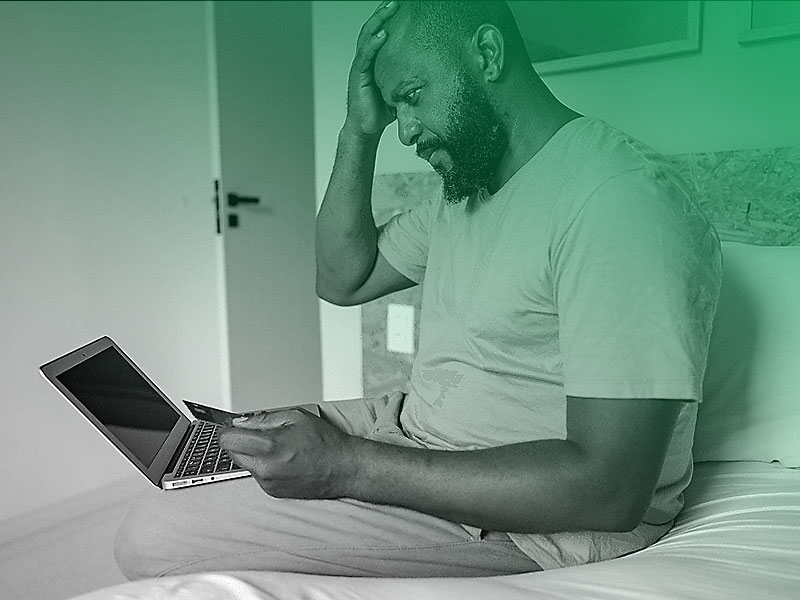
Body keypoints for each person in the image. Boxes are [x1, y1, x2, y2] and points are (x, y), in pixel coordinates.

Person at [115, 0, 722, 579]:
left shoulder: (620, 204)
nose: (404, 130)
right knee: (232, 444)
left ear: (486, 54)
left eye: (411, 97)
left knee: (152, 533)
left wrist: (346, 466)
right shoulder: (468, 192)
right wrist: (358, 132)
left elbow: (608, 489)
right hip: (416, 429)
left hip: (535, 522)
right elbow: (341, 279)